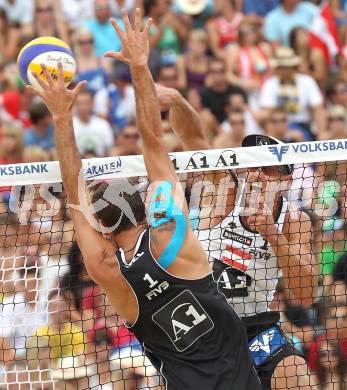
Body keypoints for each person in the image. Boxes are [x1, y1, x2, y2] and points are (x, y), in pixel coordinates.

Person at [27, 9, 261, 389]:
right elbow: (154, 140)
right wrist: (140, 66)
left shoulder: (108, 270)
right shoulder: (170, 235)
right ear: (144, 204)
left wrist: (60, 116)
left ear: (101, 225)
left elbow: (73, 189)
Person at [155, 84, 319, 389]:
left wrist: (273, 235)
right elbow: (193, 139)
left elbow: (306, 295)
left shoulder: (294, 221)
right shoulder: (223, 189)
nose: (256, 173)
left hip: (255, 325)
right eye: (253, 164)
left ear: (284, 180)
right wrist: (177, 101)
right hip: (204, 322)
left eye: (267, 169)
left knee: (297, 376)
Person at [258, 47, 326, 138]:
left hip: (302, 125)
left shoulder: (307, 81)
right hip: (277, 125)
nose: (284, 70)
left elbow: (318, 108)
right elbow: (268, 112)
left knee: (297, 135)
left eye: (287, 67)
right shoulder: (270, 84)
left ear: (293, 67)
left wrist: (321, 132)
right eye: (281, 67)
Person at [200, 57, 247, 123]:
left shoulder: (237, 91)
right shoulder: (204, 95)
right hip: (215, 130)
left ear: (226, 72)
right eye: (213, 71)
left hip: (236, 128)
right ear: (209, 73)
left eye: (221, 71)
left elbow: (248, 116)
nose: (217, 75)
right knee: (205, 115)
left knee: (237, 100)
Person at [72, 89, 114, 157]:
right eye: (79, 103)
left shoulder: (103, 124)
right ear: (75, 105)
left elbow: (110, 149)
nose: (83, 107)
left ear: (92, 104)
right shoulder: (69, 126)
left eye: (86, 103)